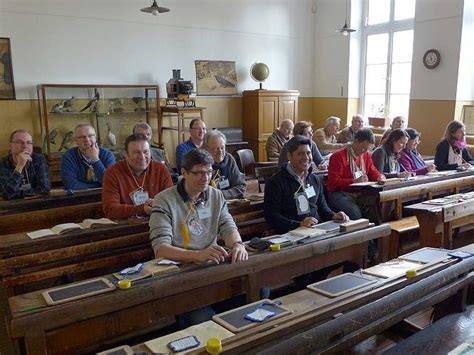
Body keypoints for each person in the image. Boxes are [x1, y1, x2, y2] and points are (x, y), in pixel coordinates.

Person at [149, 149, 248, 326]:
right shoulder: (164, 200)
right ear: (184, 172)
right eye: (199, 173)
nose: (205, 178)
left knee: (254, 294)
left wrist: (237, 244)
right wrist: (198, 255)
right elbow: (161, 250)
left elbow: (226, 224)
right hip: (182, 273)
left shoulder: (215, 195)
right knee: (202, 319)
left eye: (209, 172)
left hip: (211, 268)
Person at [265, 135, 349, 232]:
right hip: (291, 233)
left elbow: (322, 208)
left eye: (308, 153)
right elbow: (271, 216)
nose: (306, 158)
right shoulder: (275, 183)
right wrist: (299, 225)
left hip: (316, 229)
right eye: (300, 154)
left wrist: (334, 215)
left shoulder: (314, 179)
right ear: (289, 156)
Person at [102, 133, 173, 219]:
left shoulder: (160, 169)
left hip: (158, 221)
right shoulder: (113, 173)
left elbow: (170, 202)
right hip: (126, 227)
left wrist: (156, 205)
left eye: (146, 152)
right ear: (126, 155)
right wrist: (142, 209)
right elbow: (111, 210)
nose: (142, 157)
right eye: (136, 152)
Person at [327, 129, 385, 224]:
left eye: (367, 149)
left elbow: (372, 171)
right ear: (356, 141)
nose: (365, 151)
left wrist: (380, 177)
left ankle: (375, 236)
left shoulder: (365, 155)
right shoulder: (338, 156)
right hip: (339, 193)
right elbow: (333, 182)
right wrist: (353, 181)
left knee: (379, 205)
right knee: (356, 215)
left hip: (359, 192)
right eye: (363, 148)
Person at [61, 124, 115, 190]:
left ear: (95, 138)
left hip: (106, 195)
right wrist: (99, 185)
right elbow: (70, 185)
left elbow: (111, 183)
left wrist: (95, 159)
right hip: (79, 197)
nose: (87, 139)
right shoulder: (68, 157)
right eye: (82, 137)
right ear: (76, 141)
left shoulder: (107, 155)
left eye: (90, 136)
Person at [0, 129, 50, 200]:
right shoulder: (2, 164)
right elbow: (6, 194)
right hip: (12, 207)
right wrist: (19, 167)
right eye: (19, 142)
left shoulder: (39, 159)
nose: (25, 146)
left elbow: (45, 188)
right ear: (10, 146)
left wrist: (17, 193)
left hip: (36, 203)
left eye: (29, 142)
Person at [204, 130, 246, 200]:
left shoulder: (229, 159)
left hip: (230, 204)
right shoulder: (202, 163)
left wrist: (220, 195)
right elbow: (203, 194)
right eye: (215, 149)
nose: (220, 152)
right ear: (206, 149)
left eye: (222, 148)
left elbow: (241, 187)